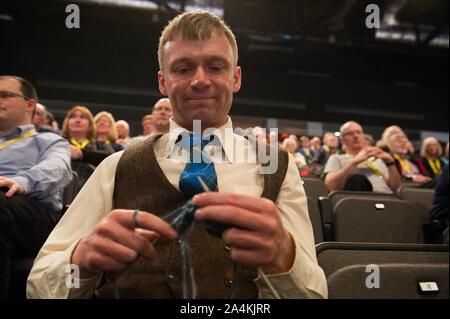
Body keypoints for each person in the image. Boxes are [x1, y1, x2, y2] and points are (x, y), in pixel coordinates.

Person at [27, 10, 327, 299]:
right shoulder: (116, 167)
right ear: (163, 82)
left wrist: (286, 258)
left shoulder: (277, 166)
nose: (199, 80)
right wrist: (80, 263)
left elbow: (316, 293)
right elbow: (38, 286)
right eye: (183, 69)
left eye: (215, 66)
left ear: (235, 78)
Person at [0, 75, 72, 298]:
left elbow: (58, 168)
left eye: (5, 95)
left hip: (30, 210)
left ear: (29, 104)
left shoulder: (49, 140)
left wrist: (22, 182)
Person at [324, 121, 402, 193]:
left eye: (359, 132)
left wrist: (390, 162)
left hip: (386, 198)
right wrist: (355, 162)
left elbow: (395, 188)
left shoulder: (377, 159)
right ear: (342, 140)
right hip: (359, 200)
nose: (356, 136)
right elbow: (330, 185)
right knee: (356, 178)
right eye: (350, 133)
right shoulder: (336, 158)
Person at [61, 106, 114, 192]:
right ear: (67, 122)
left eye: (82, 117)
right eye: (73, 116)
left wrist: (81, 154)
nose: (77, 120)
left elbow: (113, 160)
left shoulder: (99, 144)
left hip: (91, 190)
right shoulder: (58, 142)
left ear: (90, 124)